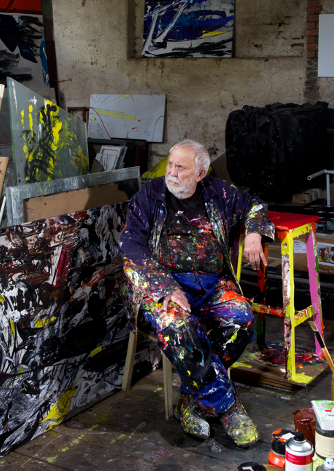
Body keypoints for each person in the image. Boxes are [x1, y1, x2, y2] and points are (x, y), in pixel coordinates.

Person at [119, 139, 275, 447]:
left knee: (242, 318)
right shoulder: (148, 196)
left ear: (200, 173)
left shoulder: (220, 193)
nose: (172, 172)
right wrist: (165, 287)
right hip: (162, 286)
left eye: (181, 167)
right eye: (171, 164)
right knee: (177, 326)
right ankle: (228, 408)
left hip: (212, 284)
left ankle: (190, 398)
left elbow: (255, 204)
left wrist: (255, 230)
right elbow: (130, 246)